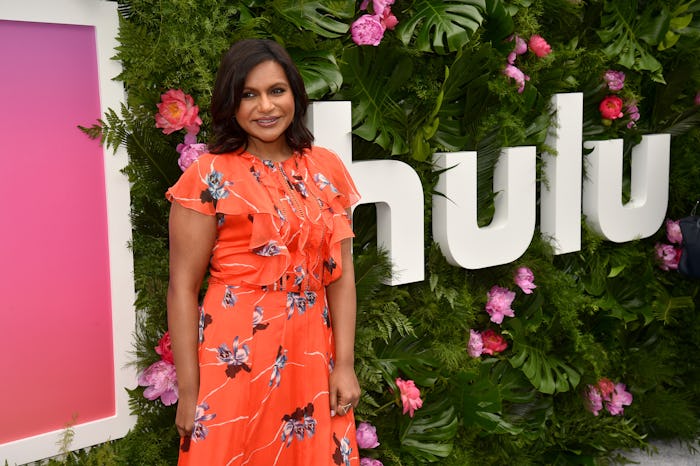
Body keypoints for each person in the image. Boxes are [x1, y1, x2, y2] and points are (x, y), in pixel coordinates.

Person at [166, 39, 361, 465]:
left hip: (310, 353)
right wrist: (188, 390)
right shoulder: (208, 174)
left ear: (295, 94)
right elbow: (182, 288)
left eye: (277, 90)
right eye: (249, 95)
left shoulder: (325, 168)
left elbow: (341, 275)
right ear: (231, 104)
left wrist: (343, 364)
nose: (265, 107)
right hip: (234, 356)